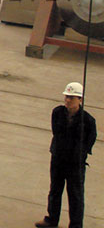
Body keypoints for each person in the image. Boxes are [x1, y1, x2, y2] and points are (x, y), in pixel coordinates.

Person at [35, 82, 96, 228]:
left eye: (72, 97)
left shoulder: (87, 120)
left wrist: (79, 153)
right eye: (67, 97)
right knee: (55, 190)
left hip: (75, 163)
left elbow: (90, 140)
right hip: (58, 158)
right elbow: (56, 132)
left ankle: (75, 225)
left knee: (75, 195)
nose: (68, 100)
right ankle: (52, 219)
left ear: (80, 99)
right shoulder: (57, 113)